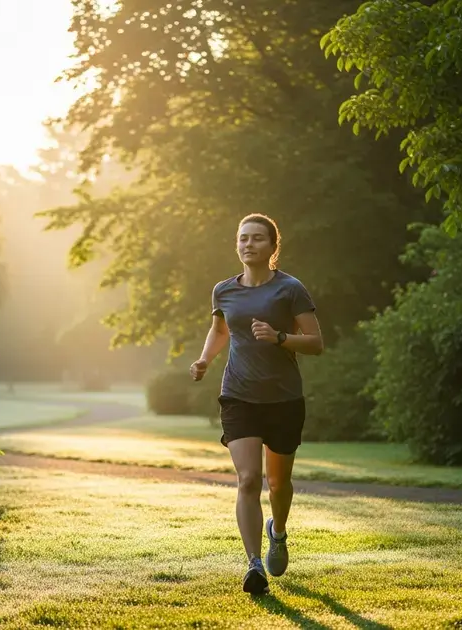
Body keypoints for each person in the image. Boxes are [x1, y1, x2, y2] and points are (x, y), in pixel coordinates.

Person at [190, 213, 324, 595]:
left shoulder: (290, 289)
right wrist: (205, 360)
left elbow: (315, 342)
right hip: (239, 395)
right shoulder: (224, 291)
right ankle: (253, 565)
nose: (248, 244)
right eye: (243, 238)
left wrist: (280, 337)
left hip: (283, 399)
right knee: (248, 479)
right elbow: (220, 330)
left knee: (278, 483)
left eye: (257, 239)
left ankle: (277, 533)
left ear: (272, 246)